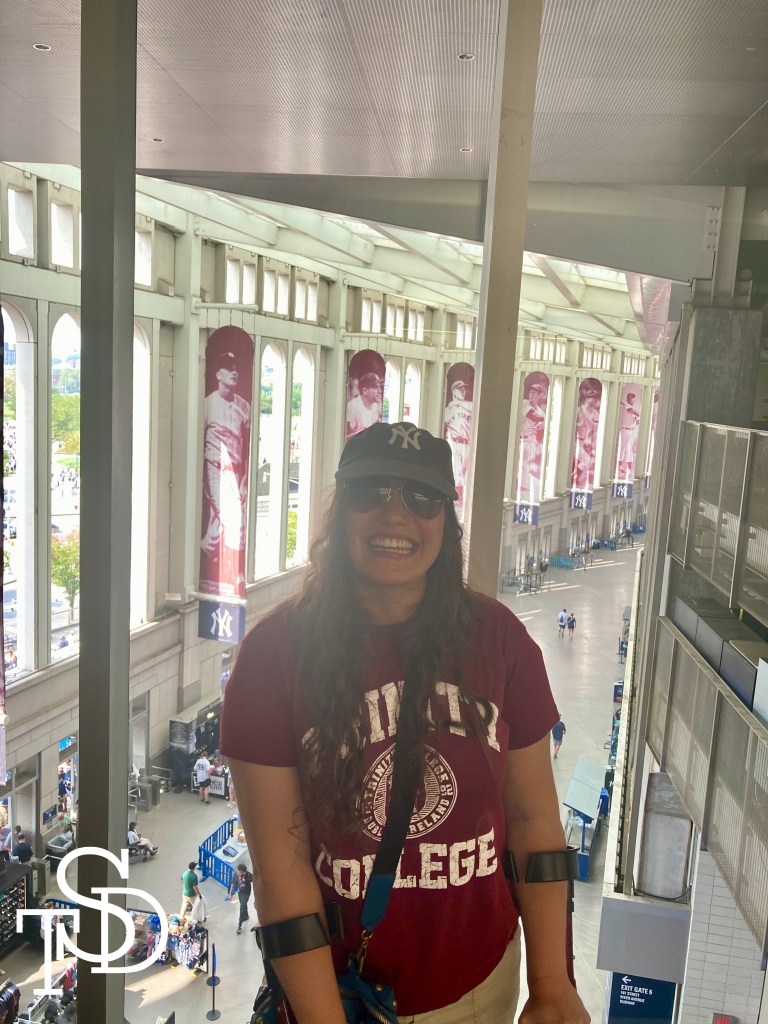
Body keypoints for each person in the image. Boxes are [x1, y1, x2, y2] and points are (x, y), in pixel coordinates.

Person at [222, 421, 589, 1024]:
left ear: (447, 520)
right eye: (372, 493)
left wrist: (551, 982)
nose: (396, 516)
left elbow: (532, 823)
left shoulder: (499, 641)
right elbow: (281, 871)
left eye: (421, 498)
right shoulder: (272, 657)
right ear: (341, 512)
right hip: (337, 997)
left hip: (479, 989)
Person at [200, 350, 251, 595]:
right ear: (218, 373)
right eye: (228, 368)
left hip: (236, 472)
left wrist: (243, 480)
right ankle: (235, 574)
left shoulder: (244, 407)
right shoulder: (208, 404)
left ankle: (207, 549)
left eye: (236, 368)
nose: (234, 372)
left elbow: (246, 444)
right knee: (233, 519)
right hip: (214, 468)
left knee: (217, 526)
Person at [443, 379, 473, 509]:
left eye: (464, 389)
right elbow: (445, 425)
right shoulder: (448, 409)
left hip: (468, 444)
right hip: (455, 443)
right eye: (460, 389)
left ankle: (464, 502)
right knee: (457, 474)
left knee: (466, 474)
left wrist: (457, 404)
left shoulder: (469, 405)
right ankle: (457, 502)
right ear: (454, 391)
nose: (463, 391)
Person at [346, 372, 383, 438]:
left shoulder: (375, 406)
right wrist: (362, 433)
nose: (379, 391)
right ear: (365, 390)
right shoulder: (353, 407)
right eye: (376, 387)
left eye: (379, 387)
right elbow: (344, 437)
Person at [228, 863, 253, 934]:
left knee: (241, 908)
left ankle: (239, 926)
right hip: (240, 892)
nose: (237, 873)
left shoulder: (248, 875)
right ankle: (246, 915)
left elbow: (255, 880)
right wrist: (230, 894)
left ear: (243, 872)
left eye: (239, 872)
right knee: (243, 905)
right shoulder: (235, 874)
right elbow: (232, 884)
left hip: (246, 893)